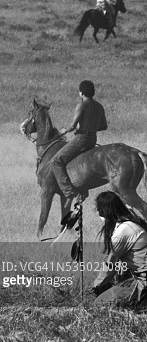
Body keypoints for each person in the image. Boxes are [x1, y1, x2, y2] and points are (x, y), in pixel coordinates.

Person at [52, 80, 107, 211]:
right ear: (92, 92)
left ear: (81, 92)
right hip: (92, 139)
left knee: (56, 161)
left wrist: (63, 131)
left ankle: (68, 191)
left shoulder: (81, 105)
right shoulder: (99, 106)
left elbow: (72, 125)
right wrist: (92, 126)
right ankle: (82, 189)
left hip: (81, 138)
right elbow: (104, 126)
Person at [91, 191, 147, 308]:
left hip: (143, 282)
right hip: (140, 277)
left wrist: (95, 287)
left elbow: (110, 265)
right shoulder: (132, 222)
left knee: (99, 303)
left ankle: (141, 302)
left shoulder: (123, 232)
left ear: (103, 212)